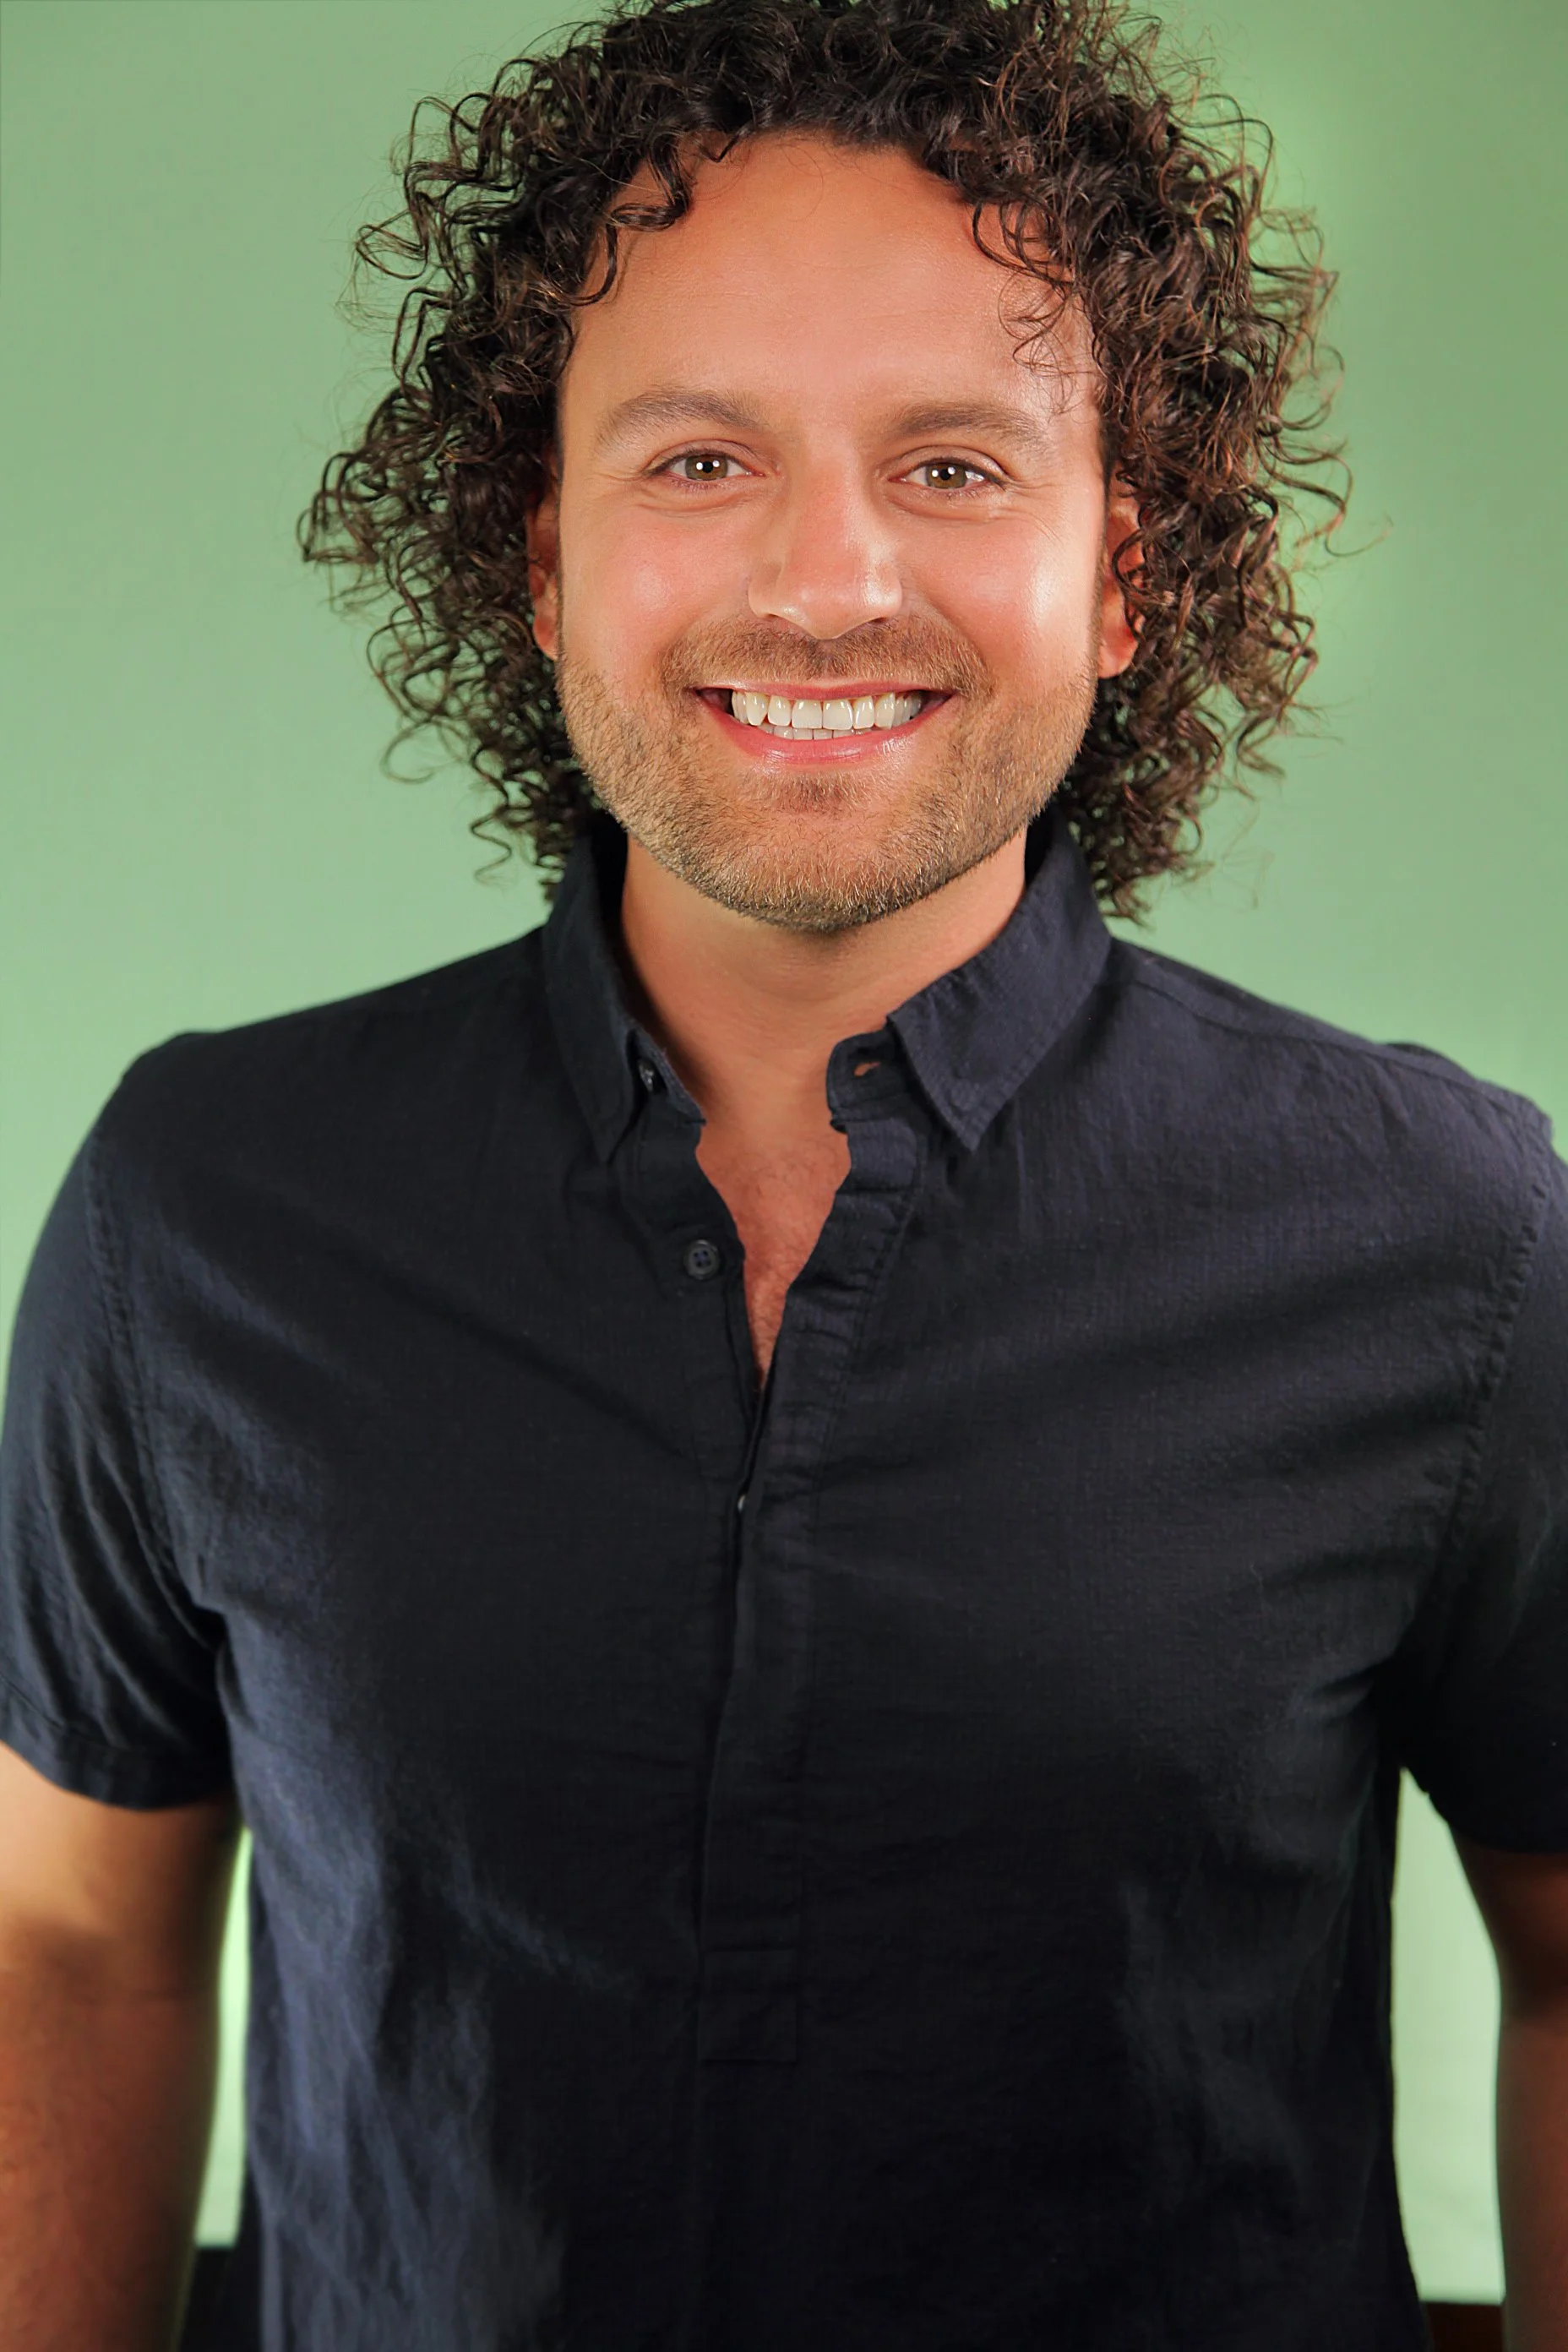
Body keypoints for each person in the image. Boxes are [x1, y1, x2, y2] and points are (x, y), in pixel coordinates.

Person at [2, 0, 1565, 2344]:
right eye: (702, 458)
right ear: (543, 559)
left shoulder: (1452, 1241)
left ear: (1124, 574)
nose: (828, 580)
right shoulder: (201, 1214)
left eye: (954, 463)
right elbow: (71, 1947)